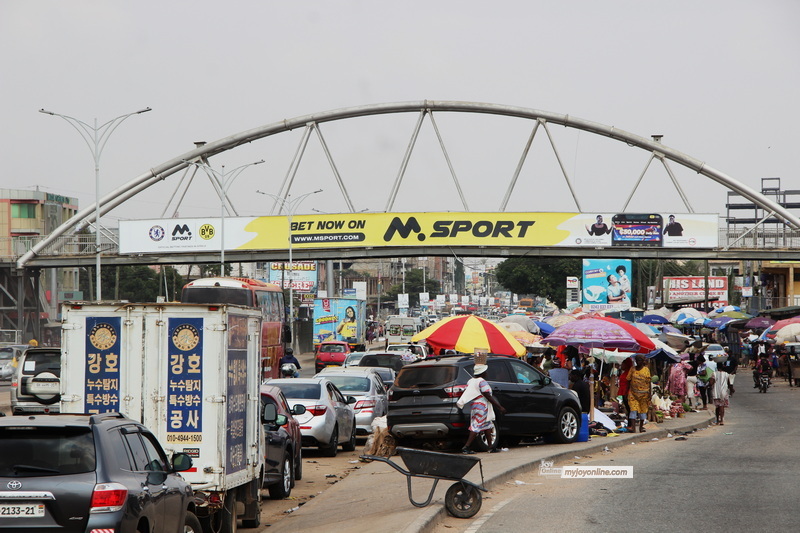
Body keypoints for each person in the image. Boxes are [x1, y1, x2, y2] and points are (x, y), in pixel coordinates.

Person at [457, 364, 506, 454]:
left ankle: (491, 447)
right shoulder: (481, 381)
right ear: (482, 372)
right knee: (476, 426)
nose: (486, 373)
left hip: (475, 405)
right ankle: (466, 447)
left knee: (487, 424)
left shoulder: (471, 381)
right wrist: (499, 407)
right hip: (482, 406)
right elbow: (487, 395)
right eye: (485, 371)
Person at [626, 354, 651, 433]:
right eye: (637, 360)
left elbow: (649, 382)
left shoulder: (646, 370)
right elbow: (628, 380)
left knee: (642, 410)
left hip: (644, 394)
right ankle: (633, 428)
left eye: (639, 360)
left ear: (642, 361)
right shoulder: (632, 369)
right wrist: (627, 392)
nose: (638, 362)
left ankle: (641, 427)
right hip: (633, 393)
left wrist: (650, 393)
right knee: (633, 409)